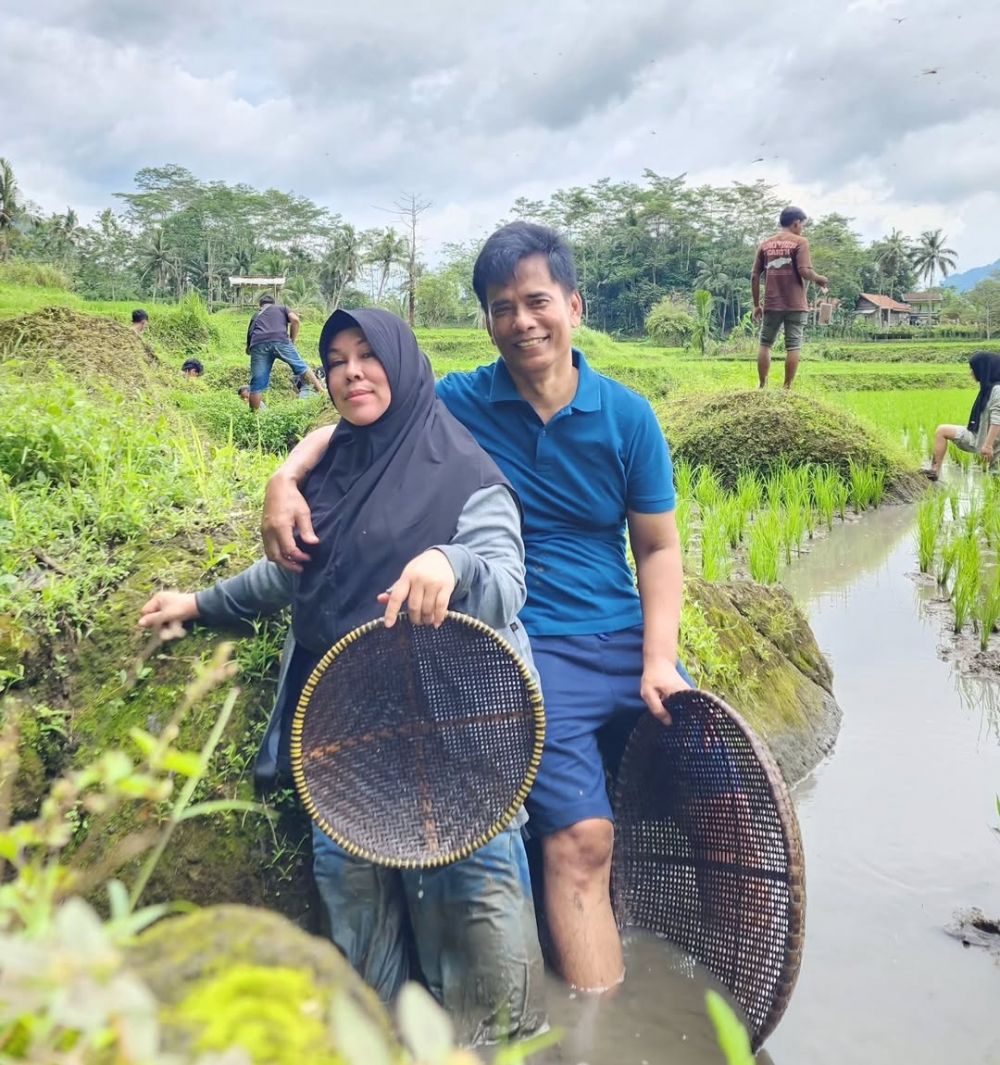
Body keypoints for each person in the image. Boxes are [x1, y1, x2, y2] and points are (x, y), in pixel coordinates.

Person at [261, 223, 691, 994]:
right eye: (502, 307)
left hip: (623, 633)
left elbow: (658, 550)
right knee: (580, 837)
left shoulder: (629, 417)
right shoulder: (457, 400)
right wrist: (285, 476)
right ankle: (594, 1009)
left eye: (536, 302)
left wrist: (660, 657)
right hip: (532, 643)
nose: (522, 321)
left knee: (713, 792)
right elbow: (361, 415)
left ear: (573, 305)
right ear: (487, 321)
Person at [139, 308, 546, 1045]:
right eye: (335, 360)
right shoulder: (330, 469)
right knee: (361, 969)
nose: (352, 372)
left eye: (368, 355)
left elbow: (505, 581)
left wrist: (447, 563)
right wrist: (197, 604)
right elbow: (292, 571)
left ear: (404, 362)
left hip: (460, 750)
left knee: (492, 981)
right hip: (349, 754)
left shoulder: (463, 472)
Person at [751, 206, 829, 390]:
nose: (802, 229)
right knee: (793, 345)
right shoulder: (800, 242)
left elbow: (755, 275)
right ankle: (787, 388)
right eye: (802, 225)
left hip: (772, 303)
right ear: (796, 223)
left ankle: (762, 385)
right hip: (795, 304)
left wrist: (756, 305)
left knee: (765, 343)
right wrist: (819, 279)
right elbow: (804, 271)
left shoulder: (765, 244)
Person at [924, 351, 1000, 480]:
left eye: (973, 369)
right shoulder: (988, 388)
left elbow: (997, 420)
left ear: (983, 369)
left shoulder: (997, 390)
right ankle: (934, 471)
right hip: (977, 436)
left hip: (993, 444)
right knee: (942, 431)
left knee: (995, 479)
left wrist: (988, 446)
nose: (971, 373)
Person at [246, 294, 323, 411]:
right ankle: (323, 393)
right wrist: (292, 340)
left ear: (260, 306)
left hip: (258, 344)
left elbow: (250, 334)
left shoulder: (256, 315)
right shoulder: (281, 308)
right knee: (301, 366)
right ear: (274, 303)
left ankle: (253, 419)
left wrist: (250, 349)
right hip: (280, 340)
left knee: (256, 384)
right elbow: (295, 320)